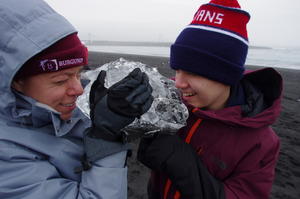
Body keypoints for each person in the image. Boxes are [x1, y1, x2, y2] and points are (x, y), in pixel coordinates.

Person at [0, 0, 153, 198]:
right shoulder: (7, 154)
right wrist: (104, 138)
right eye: (61, 80)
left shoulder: (51, 105)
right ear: (15, 81)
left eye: (78, 73)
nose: (79, 89)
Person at [137, 0, 282, 198]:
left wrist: (180, 160)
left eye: (192, 73)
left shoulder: (261, 143)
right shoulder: (169, 101)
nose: (178, 82)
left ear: (226, 75)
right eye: (177, 69)